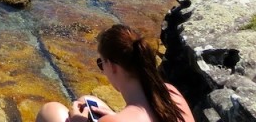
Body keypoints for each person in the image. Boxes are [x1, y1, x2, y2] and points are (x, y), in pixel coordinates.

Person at [38, 24, 195, 122]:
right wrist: (113, 115)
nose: (103, 70)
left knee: (51, 111)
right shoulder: (170, 92)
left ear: (113, 67)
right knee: (87, 100)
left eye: (101, 63)